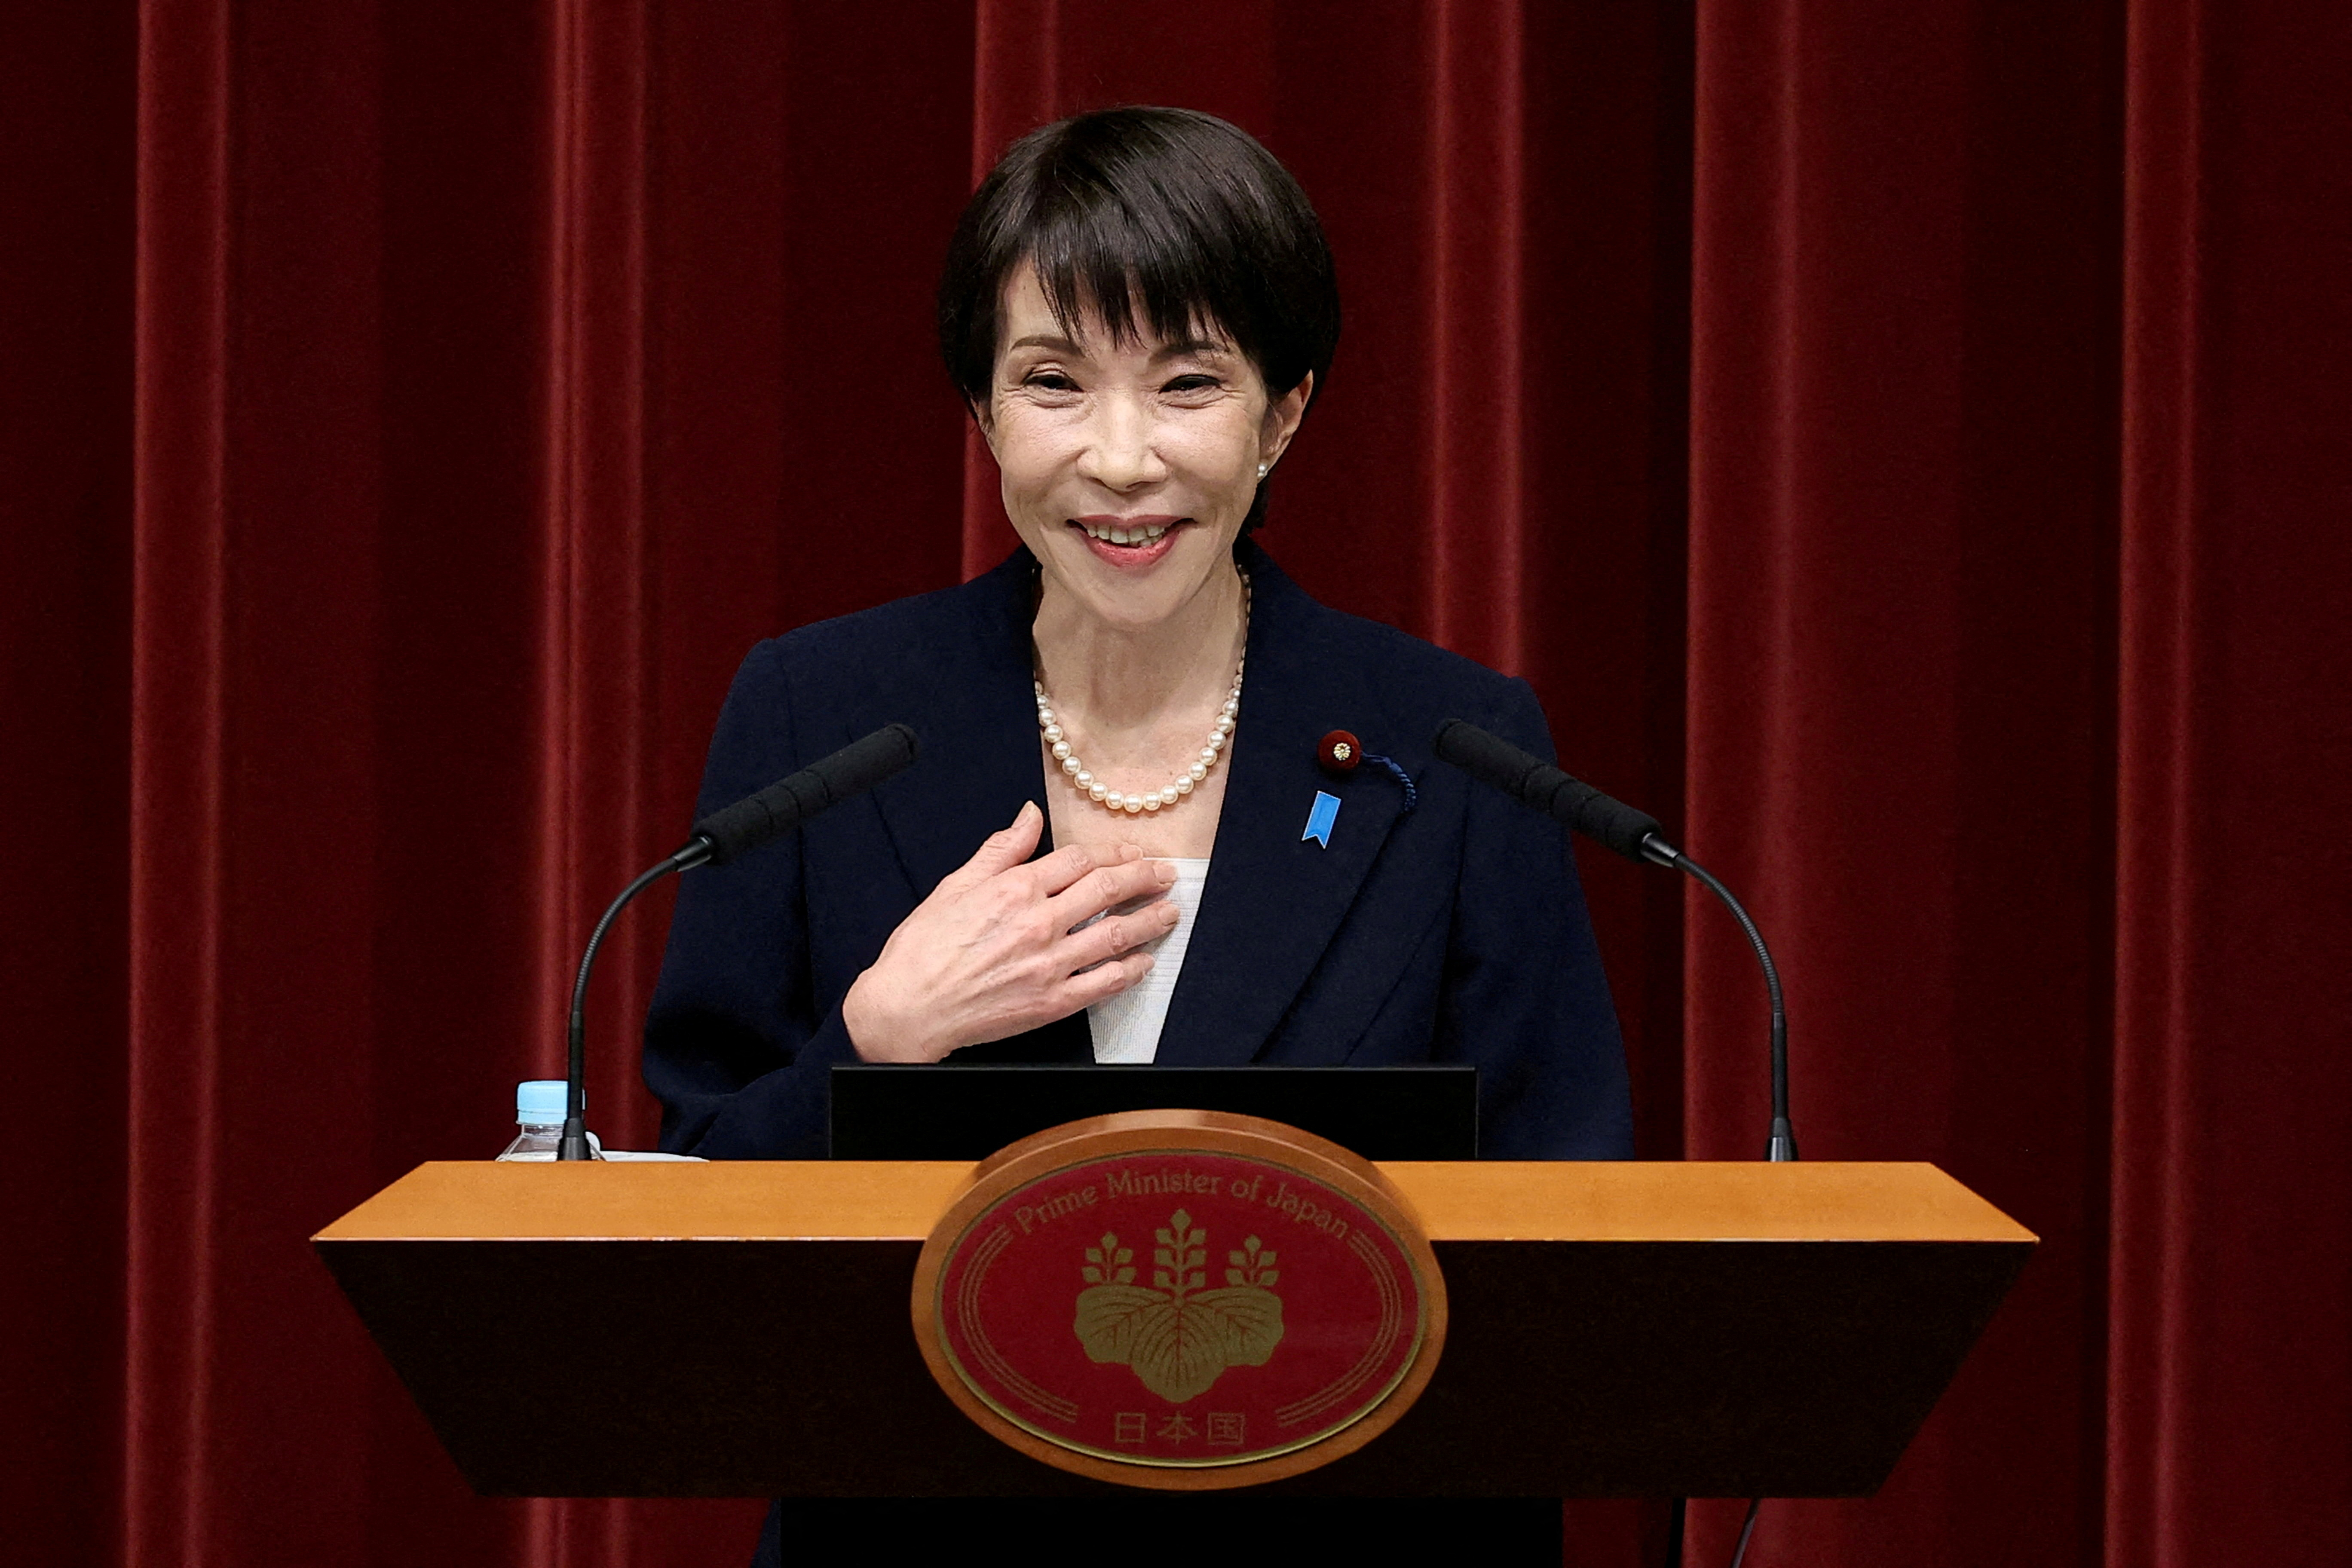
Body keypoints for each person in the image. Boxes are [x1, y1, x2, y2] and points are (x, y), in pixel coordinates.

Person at [642, 106, 1631, 1565]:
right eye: (1054, 383)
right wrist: (881, 1039)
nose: (1120, 460)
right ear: (982, 411)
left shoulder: (1453, 746)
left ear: (1283, 412)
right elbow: (692, 1229)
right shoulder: (821, 720)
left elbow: (1567, 1231)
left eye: (1187, 385)